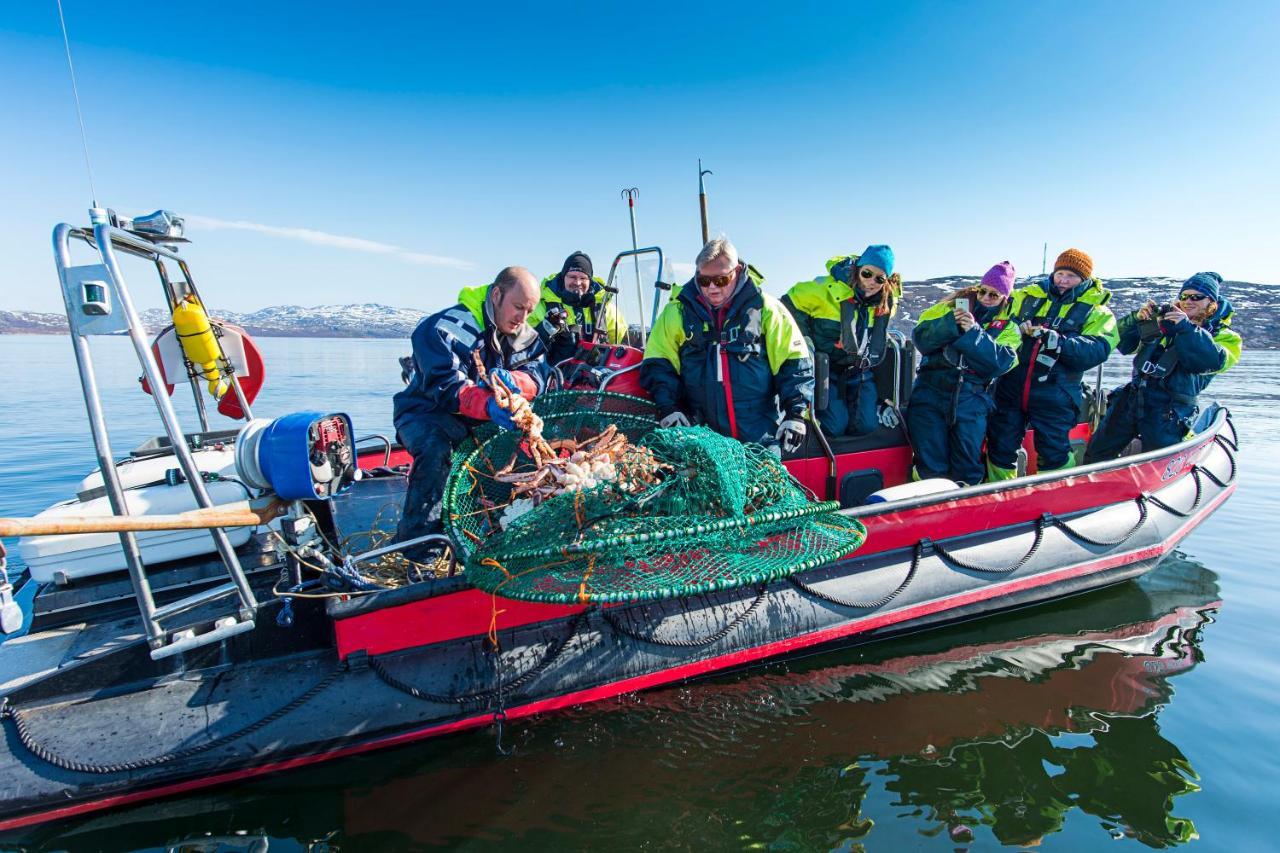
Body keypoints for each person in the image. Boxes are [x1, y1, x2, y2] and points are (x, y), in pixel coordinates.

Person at [392, 267, 551, 558]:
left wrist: (517, 383)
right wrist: (489, 405)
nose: (523, 318)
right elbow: (447, 386)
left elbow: (540, 373)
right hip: (424, 413)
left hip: (479, 422)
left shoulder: (521, 333)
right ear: (496, 294)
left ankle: (493, 543)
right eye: (518, 307)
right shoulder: (448, 328)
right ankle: (418, 550)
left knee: (516, 466)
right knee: (435, 451)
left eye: (529, 310)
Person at [640, 237, 814, 452]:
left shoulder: (767, 309)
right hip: (699, 438)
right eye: (704, 281)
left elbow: (794, 363)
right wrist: (668, 408)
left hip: (758, 437)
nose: (712, 288)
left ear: (738, 271)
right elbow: (659, 363)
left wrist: (795, 414)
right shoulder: (676, 312)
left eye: (721, 280)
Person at [986, 248, 1119, 480]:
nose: (1063, 281)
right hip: (1010, 387)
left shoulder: (1098, 310)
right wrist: (1017, 329)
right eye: (1060, 274)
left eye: (1071, 276)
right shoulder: (1026, 297)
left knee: (1054, 451)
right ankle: (1000, 495)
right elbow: (998, 323)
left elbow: (1098, 349)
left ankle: (1057, 499)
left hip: (1056, 392)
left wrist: (1060, 342)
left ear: (1084, 279)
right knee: (1000, 445)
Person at [1084, 272, 1242, 461]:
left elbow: (1209, 361)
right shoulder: (1164, 322)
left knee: (1158, 461)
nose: (1189, 301)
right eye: (1184, 296)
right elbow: (1123, 344)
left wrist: (1185, 328)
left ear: (1211, 302)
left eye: (1197, 297)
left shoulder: (1225, 336)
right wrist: (1137, 320)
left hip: (1171, 412)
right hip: (1132, 399)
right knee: (1097, 451)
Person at [906, 261, 1022, 485]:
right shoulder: (946, 308)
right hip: (930, 392)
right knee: (929, 464)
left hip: (972, 400)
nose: (986, 298)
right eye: (983, 291)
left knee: (967, 465)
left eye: (994, 295)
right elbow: (921, 338)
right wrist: (951, 324)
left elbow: (1001, 363)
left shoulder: (1009, 327)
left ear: (1004, 298)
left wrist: (973, 332)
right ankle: (926, 510)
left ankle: (967, 513)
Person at [782, 245, 901, 437]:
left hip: (858, 370)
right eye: (867, 273)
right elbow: (788, 303)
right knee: (835, 426)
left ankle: (876, 405)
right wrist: (804, 337)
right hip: (825, 369)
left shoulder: (885, 303)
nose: (871, 282)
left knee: (865, 426)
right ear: (857, 270)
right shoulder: (823, 289)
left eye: (879, 278)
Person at [529, 251, 627, 365]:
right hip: (551, 376)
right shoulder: (541, 306)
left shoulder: (606, 309)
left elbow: (621, 349)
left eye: (583, 278)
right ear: (563, 277)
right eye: (572, 277)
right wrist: (545, 331)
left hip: (594, 378)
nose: (578, 282)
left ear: (590, 280)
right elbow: (523, 347)